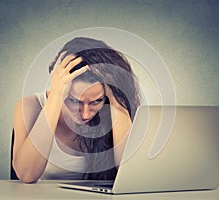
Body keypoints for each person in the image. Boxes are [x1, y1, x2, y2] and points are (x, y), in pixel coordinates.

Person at [12, 37, 141, 183]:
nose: (85, 114)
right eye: (73, 100)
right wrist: (55, 97)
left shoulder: (111, 109)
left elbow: (130, 175)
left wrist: (116, 100)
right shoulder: (30, 106)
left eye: (96, 101)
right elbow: (26, 174)